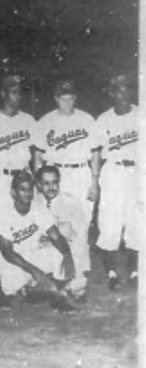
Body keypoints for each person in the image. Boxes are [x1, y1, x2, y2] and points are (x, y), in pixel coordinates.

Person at [0, 171, 78, 312]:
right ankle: (24, 293)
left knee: (57, 254)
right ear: (13, 192)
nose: (27, 193)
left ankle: (54, 295)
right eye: (22, 189)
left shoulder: (38, 210)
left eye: (29, 189)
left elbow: (56, 236)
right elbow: (8, 253)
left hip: (33, 255)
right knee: (12, 295)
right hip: (13, 262)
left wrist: (67, 254)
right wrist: (36, 272)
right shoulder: (3, 215)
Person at [32, 79, 103, 232]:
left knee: (82, 221)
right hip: (55, 175)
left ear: (75, 98)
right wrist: (39, 183)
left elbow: (96, 153)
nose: (67, 103)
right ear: (56, 99)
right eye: (63, 99)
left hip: (81, 173)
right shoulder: (45, 121)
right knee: (55, 220)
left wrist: (95, 182)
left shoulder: (87, 119)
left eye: (70, 98)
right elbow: (38, 156)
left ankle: (81, 254)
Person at [95, 74, 140, 289]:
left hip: (138, 171)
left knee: (137, 222)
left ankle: (135, 272)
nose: (123, 94)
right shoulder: (104, 119)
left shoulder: (142, 115)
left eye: (126, 89)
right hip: (113, 171)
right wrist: (95, 180)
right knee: (109, 223)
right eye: (118, 90)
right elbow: (96, 152)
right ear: (111, 93)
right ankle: (111, 273)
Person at [33, 166, 90, 299]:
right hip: (42, 249)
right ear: (39, 185)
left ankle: (63, 285)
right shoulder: (34, 202)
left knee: (78, 287)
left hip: (66, 251)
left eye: (54, 182)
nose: (51, 187)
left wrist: (77, 264)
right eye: (46, 183)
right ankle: (48, 285)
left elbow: (81, 237)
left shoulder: (71, 203)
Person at [0, 75, 37, 215]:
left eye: (20, 92)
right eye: (14, 92)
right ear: (3, 94)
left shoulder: (29, 120)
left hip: (24, 176)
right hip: (1, 178)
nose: (18, 96)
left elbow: (35, 155)